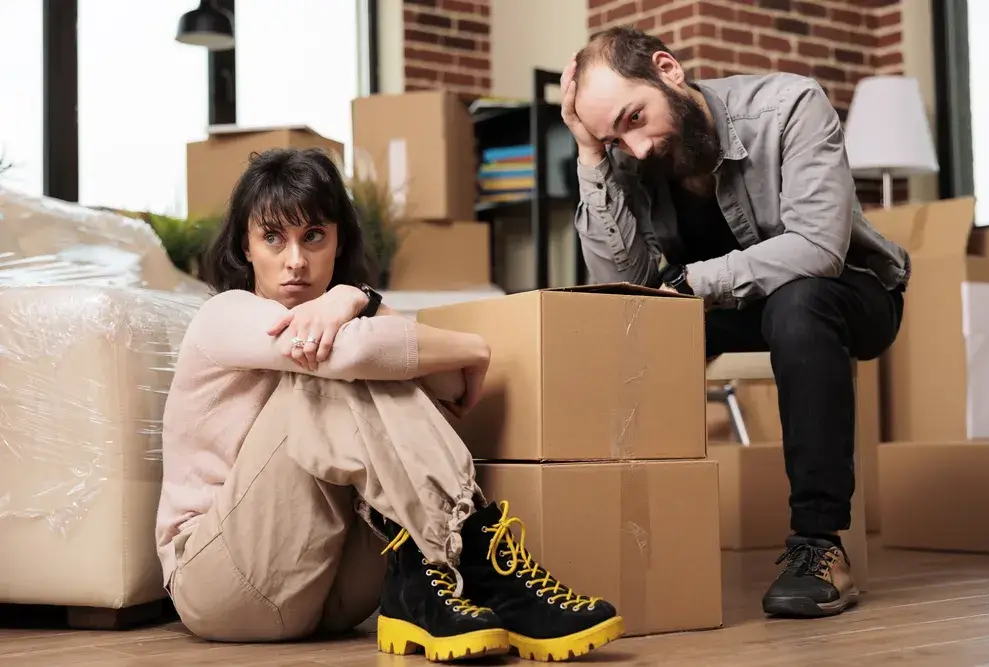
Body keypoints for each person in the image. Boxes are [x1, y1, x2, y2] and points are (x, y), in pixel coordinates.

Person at [154, 147, 624, 661]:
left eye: (313, 237)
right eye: (273, 238)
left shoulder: (345, 313)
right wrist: (472, 346)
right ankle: (481, 558)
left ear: (337, 241)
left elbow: (446, 387)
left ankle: (431, 577)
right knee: (332, 369)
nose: (296, 260)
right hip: (219, 581)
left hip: (331, 592)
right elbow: (360, 357)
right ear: (246, 247)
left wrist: (359, 300)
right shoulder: (224, 315)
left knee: (364, 361)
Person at [561, 27, 909, 619]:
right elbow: (622, 284)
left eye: (634, 118)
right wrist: (591, 156)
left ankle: (821, 546)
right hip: (733, 308)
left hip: (852, 293)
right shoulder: (629, 158)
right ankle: (626, 543)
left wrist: (695, 281)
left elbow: (819, 248)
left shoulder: (790, 106)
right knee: (623, 330)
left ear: (668, 70)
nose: (637, 147)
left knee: (799, 303)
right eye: (616, 137)